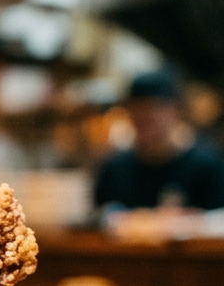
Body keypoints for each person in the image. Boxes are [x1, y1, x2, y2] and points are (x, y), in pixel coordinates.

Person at [95, 70, 224, 210]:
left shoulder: (207, 166)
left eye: (153, 108)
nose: (143, 116)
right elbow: (101, 213)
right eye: (136, 108)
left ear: (177, 110)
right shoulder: (116, 168)